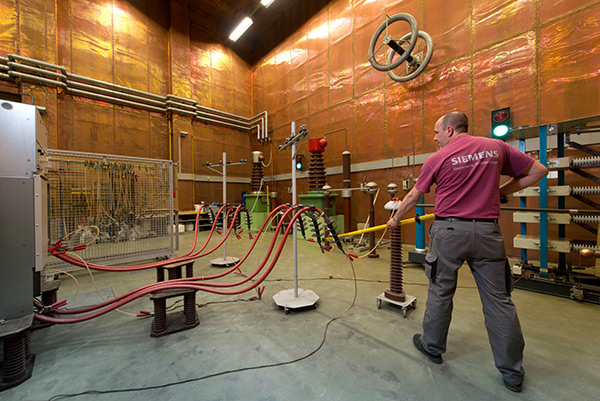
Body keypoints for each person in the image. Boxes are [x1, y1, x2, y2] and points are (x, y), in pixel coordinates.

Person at [386, 111, 548, 393]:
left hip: (449, 232)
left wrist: (395, 219)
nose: (435, 138)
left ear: (449, 130)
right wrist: (500, 191)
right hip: (487, 233)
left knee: (440, 292)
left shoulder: (438, 157)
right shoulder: (496, 148)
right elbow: (539, 171)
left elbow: (413, 195)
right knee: (499, 301)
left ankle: (432, 346)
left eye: (436, 132)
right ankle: (512, 372)